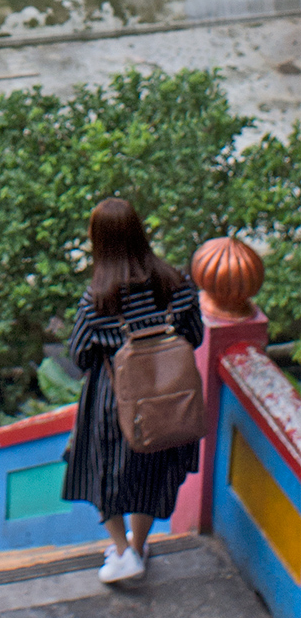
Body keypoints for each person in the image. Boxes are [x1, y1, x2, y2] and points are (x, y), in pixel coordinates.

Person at [61, 198, 204, 583]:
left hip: (114, 404)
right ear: (140, 232)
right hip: (170, 400)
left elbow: (80, 356)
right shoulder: (177, 284)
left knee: (103, 474)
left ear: (99, 242)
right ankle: (138, 546)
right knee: (150, 474)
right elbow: (194, 336)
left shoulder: (98, 300)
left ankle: (123, 553)